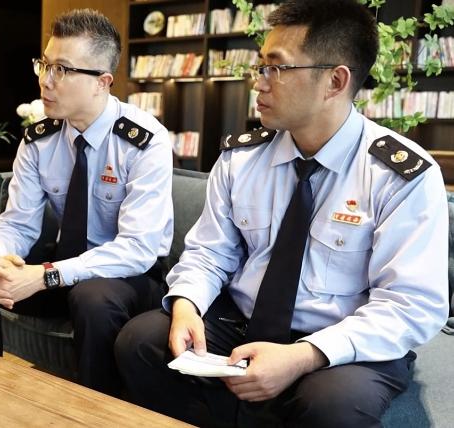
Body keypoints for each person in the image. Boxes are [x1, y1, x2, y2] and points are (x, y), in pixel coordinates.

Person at [114, 1, 450, 426]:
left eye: (276, 68)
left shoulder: (400, 176)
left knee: (335, 405)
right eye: (260, 66)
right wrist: (187, 305)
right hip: (241, 321)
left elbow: (409, 304)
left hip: (340, 340)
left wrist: (304, 355)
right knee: (140, 341)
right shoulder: (242, 158)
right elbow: (208, 253)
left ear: (335, 81)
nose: (259, 82)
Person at [0, 8, 174, 395]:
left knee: (93, 297)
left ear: (102, 82)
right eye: (44, 65)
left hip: (129, 277)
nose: (45, 81)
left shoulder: (144, 141)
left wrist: (44, 276)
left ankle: (95, 414)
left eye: (62, 70)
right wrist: (0, 262)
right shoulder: (40, 140)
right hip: (61, 267)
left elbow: (138, 248)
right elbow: (18, 222)